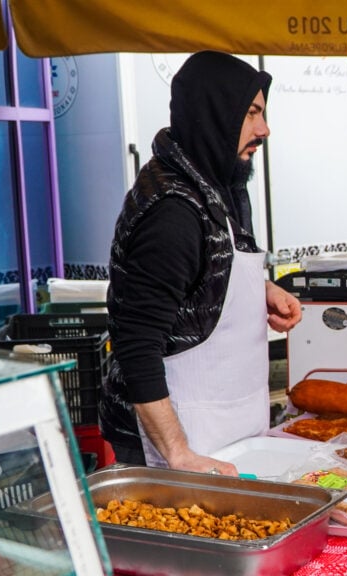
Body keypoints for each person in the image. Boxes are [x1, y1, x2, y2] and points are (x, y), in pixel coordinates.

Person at [101, 51, 302, 474]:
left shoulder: (215, 180)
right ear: (216, 113)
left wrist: (259, 291)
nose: (264, 130)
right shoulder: (172, 210)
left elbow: (200, 272)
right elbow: (136, 343)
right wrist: (178, 453)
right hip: (173, 447)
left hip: (225, 436)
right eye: (251, 114)